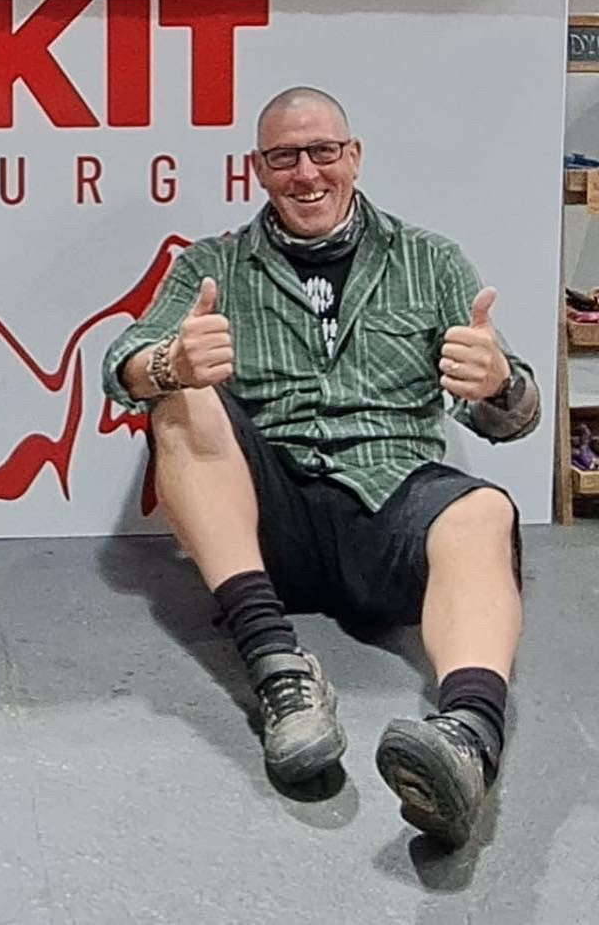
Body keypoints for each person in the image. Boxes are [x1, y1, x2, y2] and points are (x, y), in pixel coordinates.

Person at [101, 86, 538, 850]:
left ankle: (468, 737)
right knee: (179, 401)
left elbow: (513, 415)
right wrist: (169, 361)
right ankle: (280, 674)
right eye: (284, 157)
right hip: (269, 523)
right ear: (258, 170)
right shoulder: (214, 264)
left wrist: (500, 382)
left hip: (391, 499)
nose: (306, 173)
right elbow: (121, 364)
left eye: (323, 152)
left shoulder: (429, 259)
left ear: (354, 158)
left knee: (486, 512)